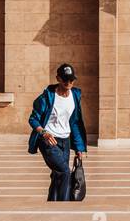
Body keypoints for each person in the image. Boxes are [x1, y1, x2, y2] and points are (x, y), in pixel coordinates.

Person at [28, 63, 87, 201]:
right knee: (65, 172)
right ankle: (63, 206)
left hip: (65, 141)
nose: (68, 83)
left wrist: (79, 148)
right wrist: (44, 133)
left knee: (57, 174)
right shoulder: (46, 97)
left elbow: (75, 123)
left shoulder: (75, 96)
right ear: (58, 78)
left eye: (71, 80)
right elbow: (33, 119)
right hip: (48, 140)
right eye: (65, 79)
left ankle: (52, 204)